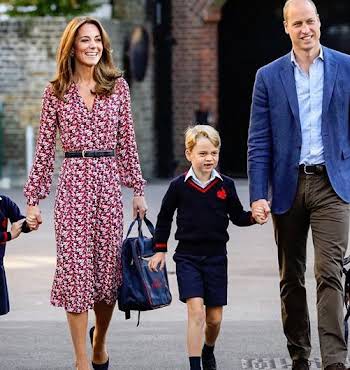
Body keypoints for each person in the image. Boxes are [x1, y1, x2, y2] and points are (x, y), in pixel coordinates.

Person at [23, 17, 147, 370]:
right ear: (72, 48)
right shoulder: (56, 91)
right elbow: (45, 149)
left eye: (97, 40)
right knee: (76, 274)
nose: (92, 46)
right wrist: (33, 199)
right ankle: (81, 362)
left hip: (108, 184)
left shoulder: (117, 87)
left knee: (107, 278)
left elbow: (128, 143)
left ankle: (99, 343)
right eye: (84, 41)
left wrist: (137, 189)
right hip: (73, 186)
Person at [247, 1, 350, 369]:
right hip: (287, 185)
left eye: (310, 22)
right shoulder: (269, 76)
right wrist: (258, 194)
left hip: (332, 185)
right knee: (291, 276)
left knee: (330, 272)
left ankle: (335, 359)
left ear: (319, 23)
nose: (305, 29)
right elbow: (259, 141)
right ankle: (300, 354)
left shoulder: (346, 67)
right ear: (286, 28)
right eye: (297, 24)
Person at [149, 125, 259, 370]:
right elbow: (165, 217)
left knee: (214, 319)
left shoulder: (225, 185)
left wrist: (254, 217)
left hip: (217, 258)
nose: (209, 158)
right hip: (187, 257)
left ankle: (208, 349)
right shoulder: (179, 186)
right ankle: (195, 365)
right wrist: (159, 248)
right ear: (189, 154)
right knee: (196, 313)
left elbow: (238, 216)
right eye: (202, 153)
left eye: (214, 153)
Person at [0, 195, 31, 316]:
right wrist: (9, 235)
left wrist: (29, 222)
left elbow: (19, 220)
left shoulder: (4, 202)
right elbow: (12, 233)